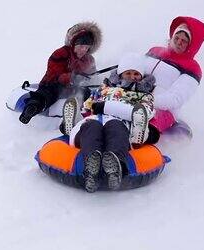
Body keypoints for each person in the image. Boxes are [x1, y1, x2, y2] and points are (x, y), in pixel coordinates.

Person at [65, 53, 156, 192]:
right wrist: (86, 110)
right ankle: (91, 168)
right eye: (128, 73)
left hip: (121, 122)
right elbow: (89, 106)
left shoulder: (145, 95)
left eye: (136, 74)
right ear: (120, 75)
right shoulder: (104, 89)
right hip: (95, 119)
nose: (132, 77)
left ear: (142, 76)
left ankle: (115, 165)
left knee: (115, 129)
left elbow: (145, 112)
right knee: (90, 127)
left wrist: (108, 107)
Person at [18, 22, 102, 124]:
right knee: (48, 93)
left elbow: (93, 75)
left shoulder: (89, 60)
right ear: (73, 43)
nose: (83, 50)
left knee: (87, 93)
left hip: (75, 88)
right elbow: (54, 74)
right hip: (53, 84)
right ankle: (32, 108)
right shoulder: (61, 53)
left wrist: (91, 80)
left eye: (86, 47)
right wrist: (72, 78)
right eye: (81, 46)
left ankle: (71, 120)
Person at [141, 16, 204, 140]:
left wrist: (148, 101)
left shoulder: (192, 68)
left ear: (191, 45)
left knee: (140, 126)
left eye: (184, 41)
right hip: (135, 100)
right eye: (176, 38)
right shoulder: (155, 51)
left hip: (162, 111)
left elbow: (176, 98)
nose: (178, 42)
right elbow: (136, 70)